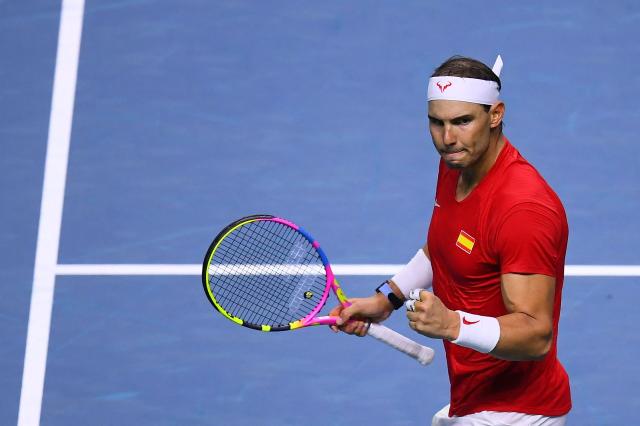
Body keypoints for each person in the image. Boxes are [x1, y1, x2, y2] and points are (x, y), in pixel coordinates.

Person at [330, 55, 571, 425]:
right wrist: (387, 298)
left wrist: (453, 325)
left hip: (514, 413)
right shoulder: (457, 162)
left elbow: (537, 335)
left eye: (462, 121)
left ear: (495, 114)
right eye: (436, 122)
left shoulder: (523, 209)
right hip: (474, 400)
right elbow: (446, 245)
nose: (447, 138)